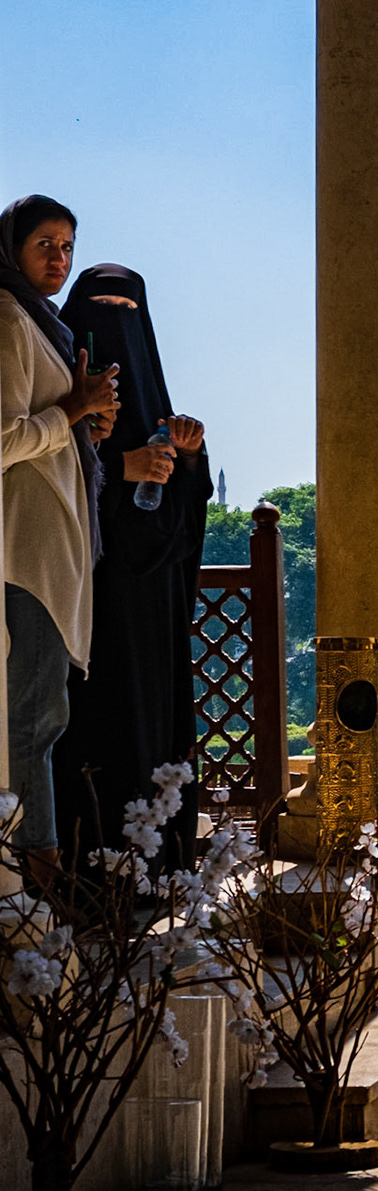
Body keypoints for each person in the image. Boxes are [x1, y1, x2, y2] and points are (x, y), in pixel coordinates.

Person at [54, 265, 204, 860]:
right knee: (90, 730)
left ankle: (159, 863)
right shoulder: (57, 395)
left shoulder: (152, 404)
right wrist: (120, 468)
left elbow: (181, 520)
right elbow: (41, 473)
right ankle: (82, 862)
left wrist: (188, 460)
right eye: (101, 309)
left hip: (152, 607)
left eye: (128, 310)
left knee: (152, 729)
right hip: (82, 592)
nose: (118, 323)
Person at [0, 196, 118, 881]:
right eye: (45, 242)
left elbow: (41, 434)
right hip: (27, 552)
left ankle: (34, 866)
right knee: (31, 718)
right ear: (12, 245)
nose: (59, 258)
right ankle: (34, 876)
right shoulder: (10, 319)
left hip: (46, 550)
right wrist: (71, 408)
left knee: (41, 714)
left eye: (69, 246)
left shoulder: (39, 321)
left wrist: (84, 427)